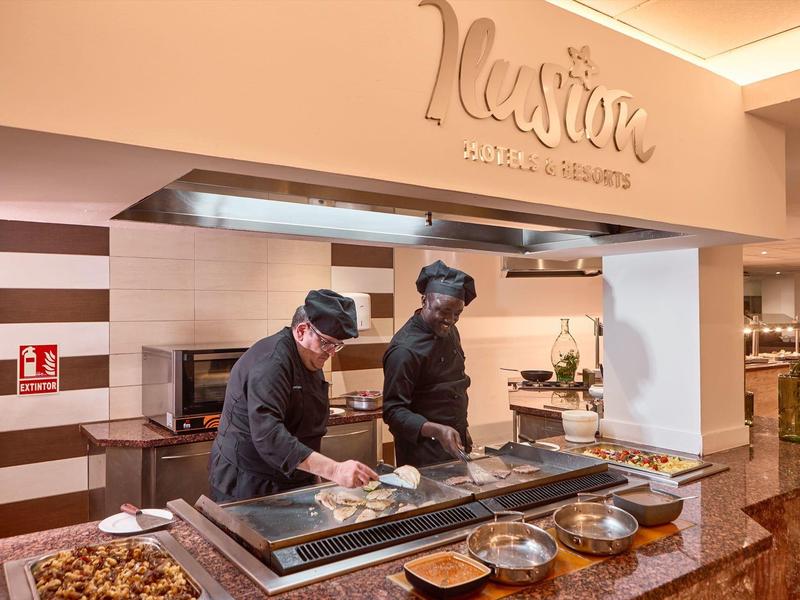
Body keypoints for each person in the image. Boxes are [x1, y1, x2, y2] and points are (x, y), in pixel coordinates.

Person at [209, 289, 378, 502]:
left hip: (290, 476)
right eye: (327, 343)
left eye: (338, 345)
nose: (332, 352)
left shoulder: (309, 355)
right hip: (248, 481)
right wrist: (333, 470)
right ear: (301, 331)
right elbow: (268, 435)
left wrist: (314, 473)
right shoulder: (271, 364)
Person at [382, 260, 477, 467]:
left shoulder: (449, 330)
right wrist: (437, 430)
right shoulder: (405, 350)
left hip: (455, 444)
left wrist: (462, 428)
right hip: (422, 454)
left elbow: (454, 385)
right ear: (425, 300)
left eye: (457, 314)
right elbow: (393, 411)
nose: (450, 320)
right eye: (443, 311)